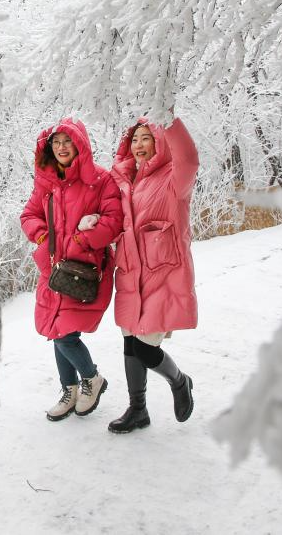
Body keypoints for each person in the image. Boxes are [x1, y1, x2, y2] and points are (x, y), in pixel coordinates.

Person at [20, 118, 123, 421]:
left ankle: (92, 378)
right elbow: (29, 214)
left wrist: (78, 240)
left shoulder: (100, 180)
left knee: (65, 335)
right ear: (49, 148)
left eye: (68, 141)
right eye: (56, 143)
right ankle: (70, 390)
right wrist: (43, 237)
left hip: (84, 269)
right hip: (53, 270)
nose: (62, 147)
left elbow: (112, 221)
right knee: (57, 331)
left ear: (80, 144)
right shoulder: (47, 183)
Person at [107, 116, 199, 433]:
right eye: (134, 140)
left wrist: (168, 117)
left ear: (159, 141)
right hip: (131, 275)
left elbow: (189, 157)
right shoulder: (122, 181)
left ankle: (179, 381)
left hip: (162, 275)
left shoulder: (174, 177)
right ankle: (138, 410)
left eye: (147, 138)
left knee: (147, 349)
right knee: (131, 344)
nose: (139, 145)